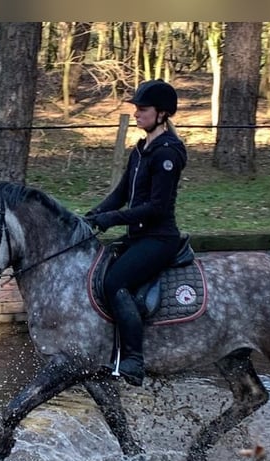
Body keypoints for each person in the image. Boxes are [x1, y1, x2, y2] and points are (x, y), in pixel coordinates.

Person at [85, 79, 187, 387]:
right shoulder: (141, 149)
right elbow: (119, 195)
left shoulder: (168, 153)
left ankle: (133, 359)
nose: (137, 114)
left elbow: (156, 207)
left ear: (162, 114)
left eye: (143, 109)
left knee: (115, 282)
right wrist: (91, 216)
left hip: (160, 239)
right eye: (137, 108)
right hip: (138, 237)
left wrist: (112, 219)